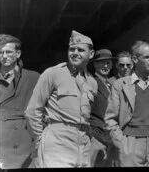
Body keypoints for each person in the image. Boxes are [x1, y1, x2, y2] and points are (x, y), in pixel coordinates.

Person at [25, 30, 97, 168]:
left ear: (91, 54)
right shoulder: (53, 73)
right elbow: (33, 111)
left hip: (84, 143)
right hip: (58, 141)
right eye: (72, 49)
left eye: (81, 50)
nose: (75, 52)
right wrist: (40, 140)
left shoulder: (92, 82)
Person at [104, 40, 149, 167]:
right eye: (147, 57)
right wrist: (121, 142)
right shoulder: (120, 84)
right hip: (129, 143)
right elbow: (110, 118)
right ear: (135, 59)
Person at [0, 34, 40, 169]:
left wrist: (38, 142)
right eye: (0, 52)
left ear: (18, 53)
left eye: (8, 52)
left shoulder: (34, 78)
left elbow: (43, 113)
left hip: (24, 147)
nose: (4, 56)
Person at [89, 49, 115, 167]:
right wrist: (96, 138)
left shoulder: (111, 84)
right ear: (95, 64)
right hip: (97, 138)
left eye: (108, 63)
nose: (105, 66)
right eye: (101, 62)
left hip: (111, 139)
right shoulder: (91, 83)